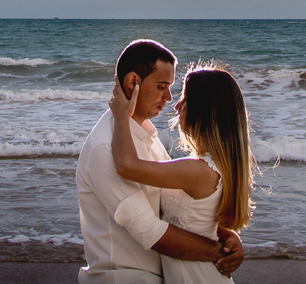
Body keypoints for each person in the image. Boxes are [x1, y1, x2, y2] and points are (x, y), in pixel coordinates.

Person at [76, 40, 244, 283]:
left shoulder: (149, 138)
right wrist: (220, 252)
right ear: (133, 82)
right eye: (162, 86)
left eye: (172, 88)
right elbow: (148, 228)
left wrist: (226, 236)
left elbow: (177, 206)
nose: (170, 98)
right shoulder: (105, 147)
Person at [108, 62, 255, 284]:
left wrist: (121, 116)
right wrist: (228, 235)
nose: (176, 106)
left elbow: (126, 166)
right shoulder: (212, 166)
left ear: (202, 110)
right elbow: (200, 218)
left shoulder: (198, 170)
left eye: (184, 100)